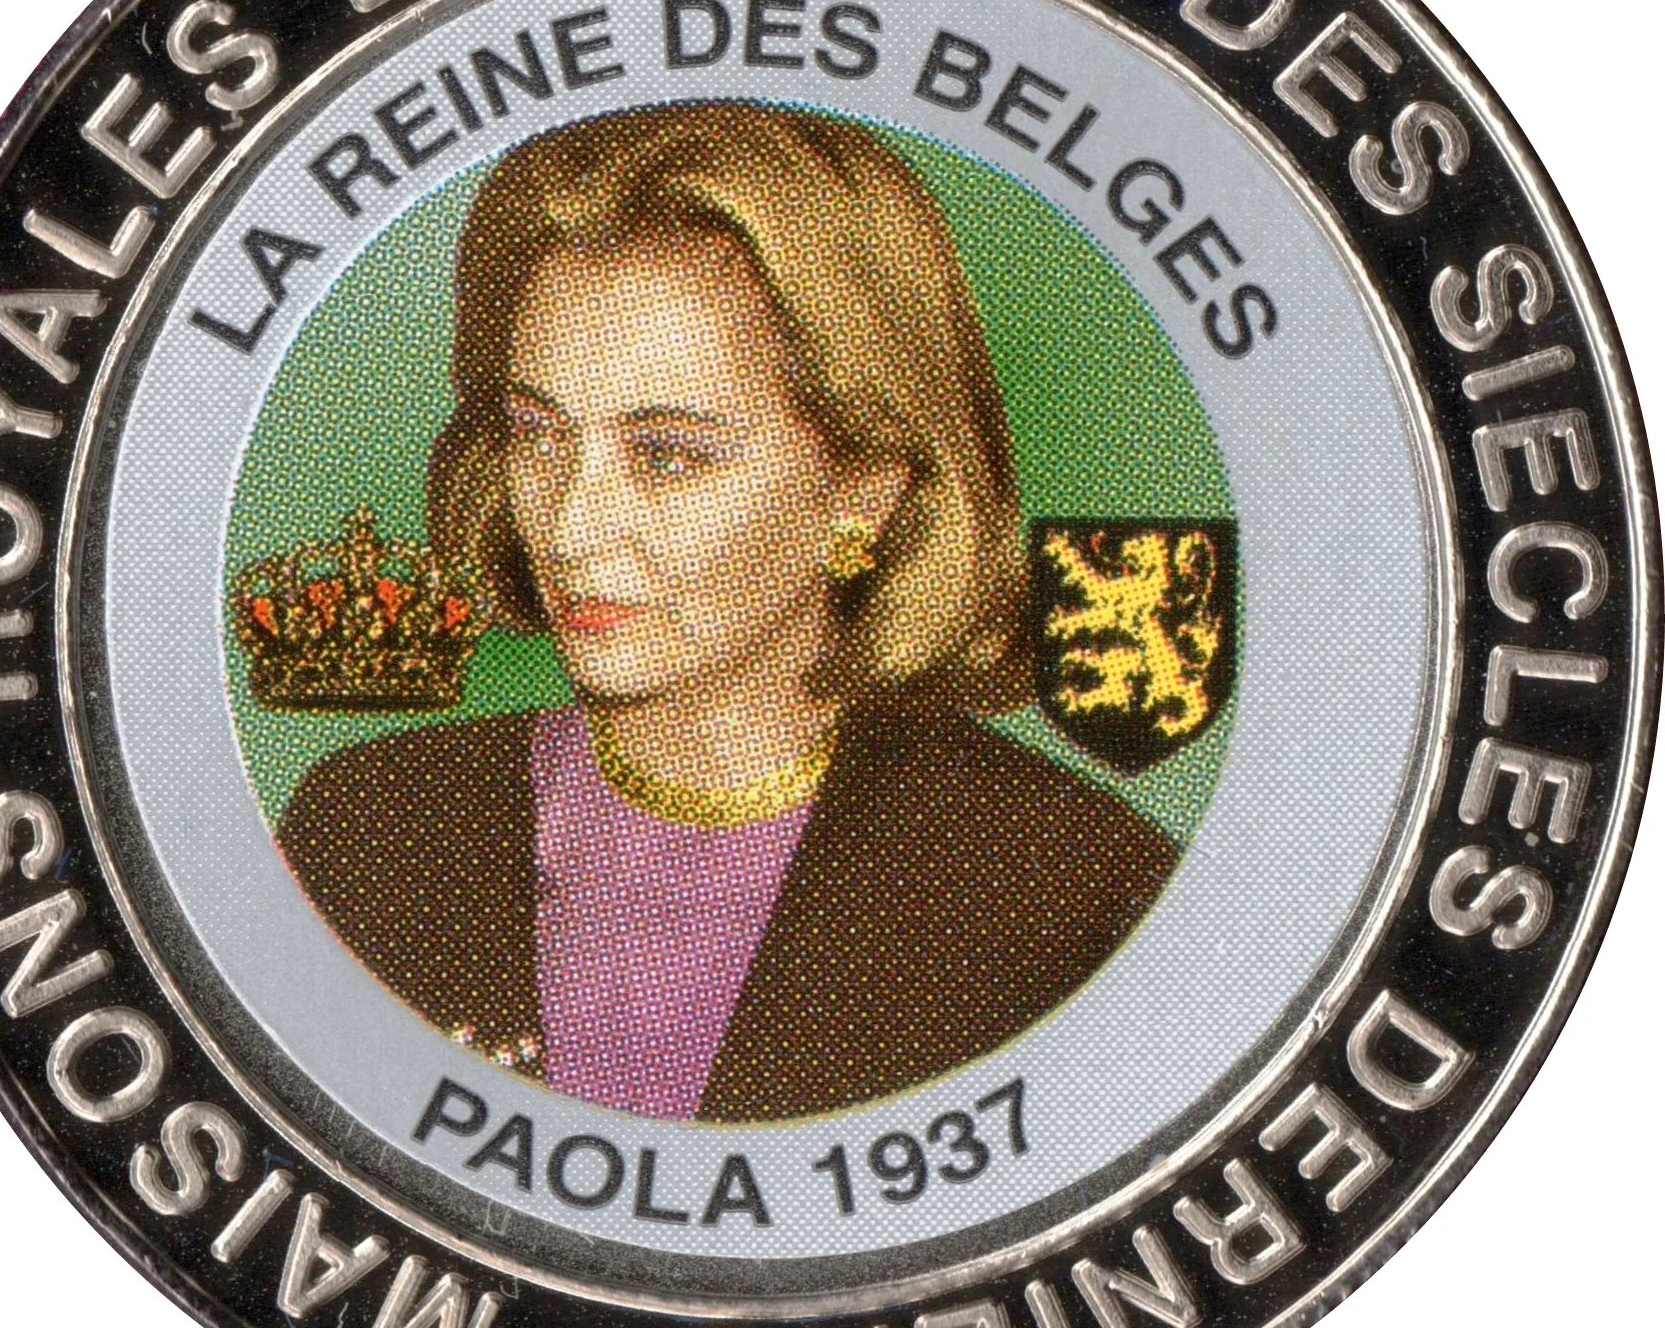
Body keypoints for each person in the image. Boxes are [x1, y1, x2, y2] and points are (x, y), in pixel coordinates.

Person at [277, 102, 1177, 1125]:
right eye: (539, 435)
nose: (571, 527)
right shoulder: (370, 830)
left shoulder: (1064, 890)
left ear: (863, 488)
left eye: (666, 456)